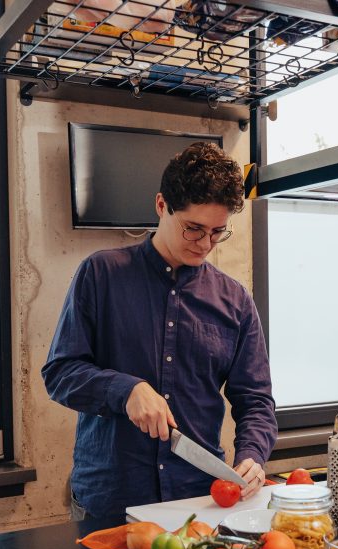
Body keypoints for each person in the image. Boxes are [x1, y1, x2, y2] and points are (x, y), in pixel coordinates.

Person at [42, 142, 277, 519]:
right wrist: (125, 390)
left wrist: (252, 455)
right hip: (111, 497)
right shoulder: (101, 275)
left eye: (218, 232)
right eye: (193, 229)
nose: (205, 244)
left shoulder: (235, 300)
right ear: (161, 205)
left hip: (199, 498)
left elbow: (256, 400)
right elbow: (60, 373)